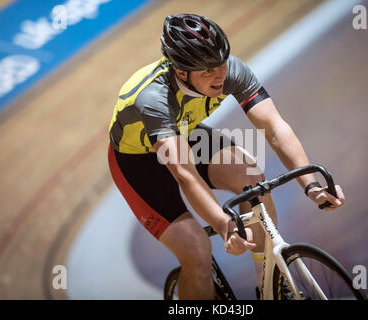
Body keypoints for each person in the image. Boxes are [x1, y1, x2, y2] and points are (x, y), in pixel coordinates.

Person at [108, 13, 345, 300]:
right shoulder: (153, 97)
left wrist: (311, 185)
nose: (219, 75)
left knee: (252, 180)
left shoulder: (231, 70)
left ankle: (269, 282)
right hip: (138, 163)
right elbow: (184, 174)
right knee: (196, 250)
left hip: (185, 134)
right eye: (207, 71)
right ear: (181, 72)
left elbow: (274, 127)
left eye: (220, 63)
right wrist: (225, 227)